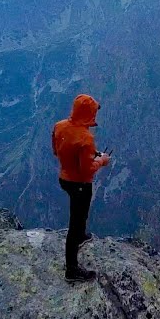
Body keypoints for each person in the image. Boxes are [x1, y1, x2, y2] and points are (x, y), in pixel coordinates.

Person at [52, 94, 112, 282]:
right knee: (76, 220)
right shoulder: (86, 138)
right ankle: (72, 269)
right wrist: (101, 160)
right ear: (89, 113)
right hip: (79, 184)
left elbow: (57, 150)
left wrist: (88, 154)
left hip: (64, 178)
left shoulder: (59, 126)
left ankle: (81, 235)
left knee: (80, 214)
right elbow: (87, 170)